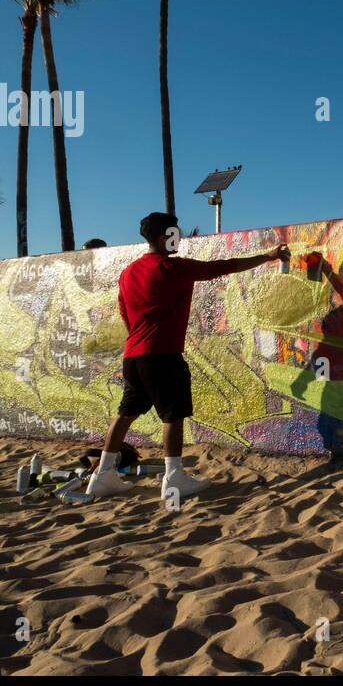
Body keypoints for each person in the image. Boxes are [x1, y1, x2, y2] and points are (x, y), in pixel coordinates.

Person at [87, 211, 290, 500]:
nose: (178, 237)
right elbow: (225, 266)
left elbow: (125, 316)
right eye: (174, 232)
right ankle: (174, 477)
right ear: (163, 237)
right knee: (174, 415)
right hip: (162, 354)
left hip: (134, 355)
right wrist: (268, 256)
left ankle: (102, 475)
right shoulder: (173, 268)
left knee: (126, 413)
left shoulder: (128, 273)